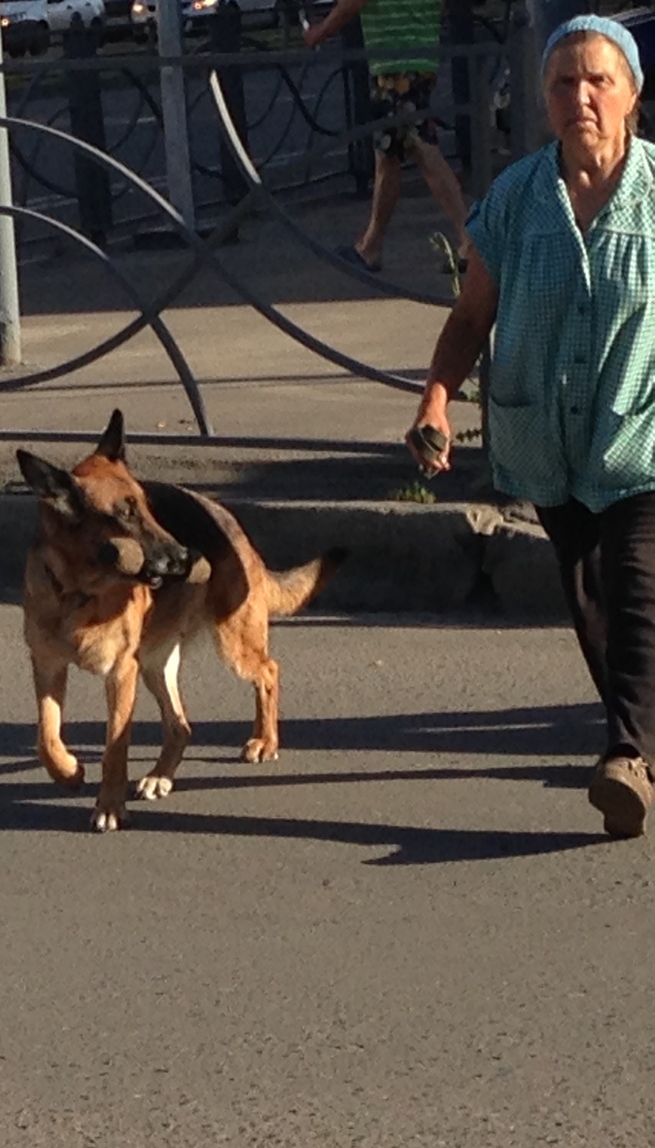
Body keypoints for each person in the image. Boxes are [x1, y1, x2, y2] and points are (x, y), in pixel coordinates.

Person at [410, 15, 655, 838]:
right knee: (587, 594)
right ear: (543, 99)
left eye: (598, 80)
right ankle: (642, 735)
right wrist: (436, 399)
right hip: (546, 440)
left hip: (640, 435)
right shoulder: (516, 199)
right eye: (562, 83)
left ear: (631, 94)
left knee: (636, 580)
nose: (580, 96)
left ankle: (627, 755)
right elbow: (471, 314)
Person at [305, 0, 473, 273]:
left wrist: (320, 31)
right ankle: (371, 245)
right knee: (388, 154)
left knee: (422, 148)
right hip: (418, 54)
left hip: (395, 61)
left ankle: (470, 238)